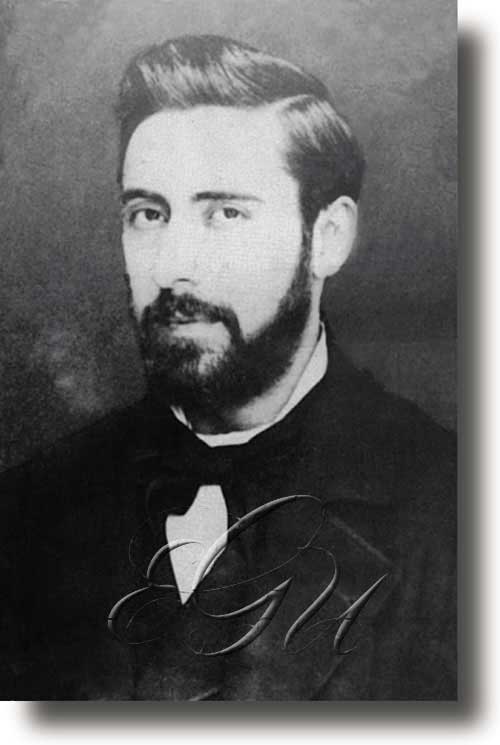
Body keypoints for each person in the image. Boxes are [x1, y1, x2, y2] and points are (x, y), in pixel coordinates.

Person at [0, 35, 456, 701]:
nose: (172, 264)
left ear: (327, 237)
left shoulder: (457, 511)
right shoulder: (28, 509)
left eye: (225, 213)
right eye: (148, 214)